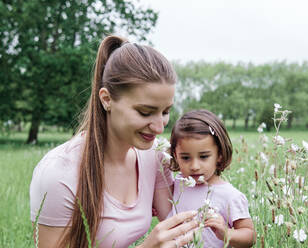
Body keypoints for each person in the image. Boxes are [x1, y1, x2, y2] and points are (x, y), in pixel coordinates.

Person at [29, 35, 198, 248]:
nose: (159, 126)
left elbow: (180, 223)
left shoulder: (153, 155)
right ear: (106, 99)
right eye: (145, 112)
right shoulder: (58, 174)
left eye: (165, 111)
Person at [166, 109, 256, 248]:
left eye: (203, 156)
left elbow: (249, 236)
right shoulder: (178, 183)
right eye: (185, 157)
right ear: (175, 155)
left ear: (219, 154)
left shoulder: (229, 195)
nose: (194, 166)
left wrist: (225, 233)